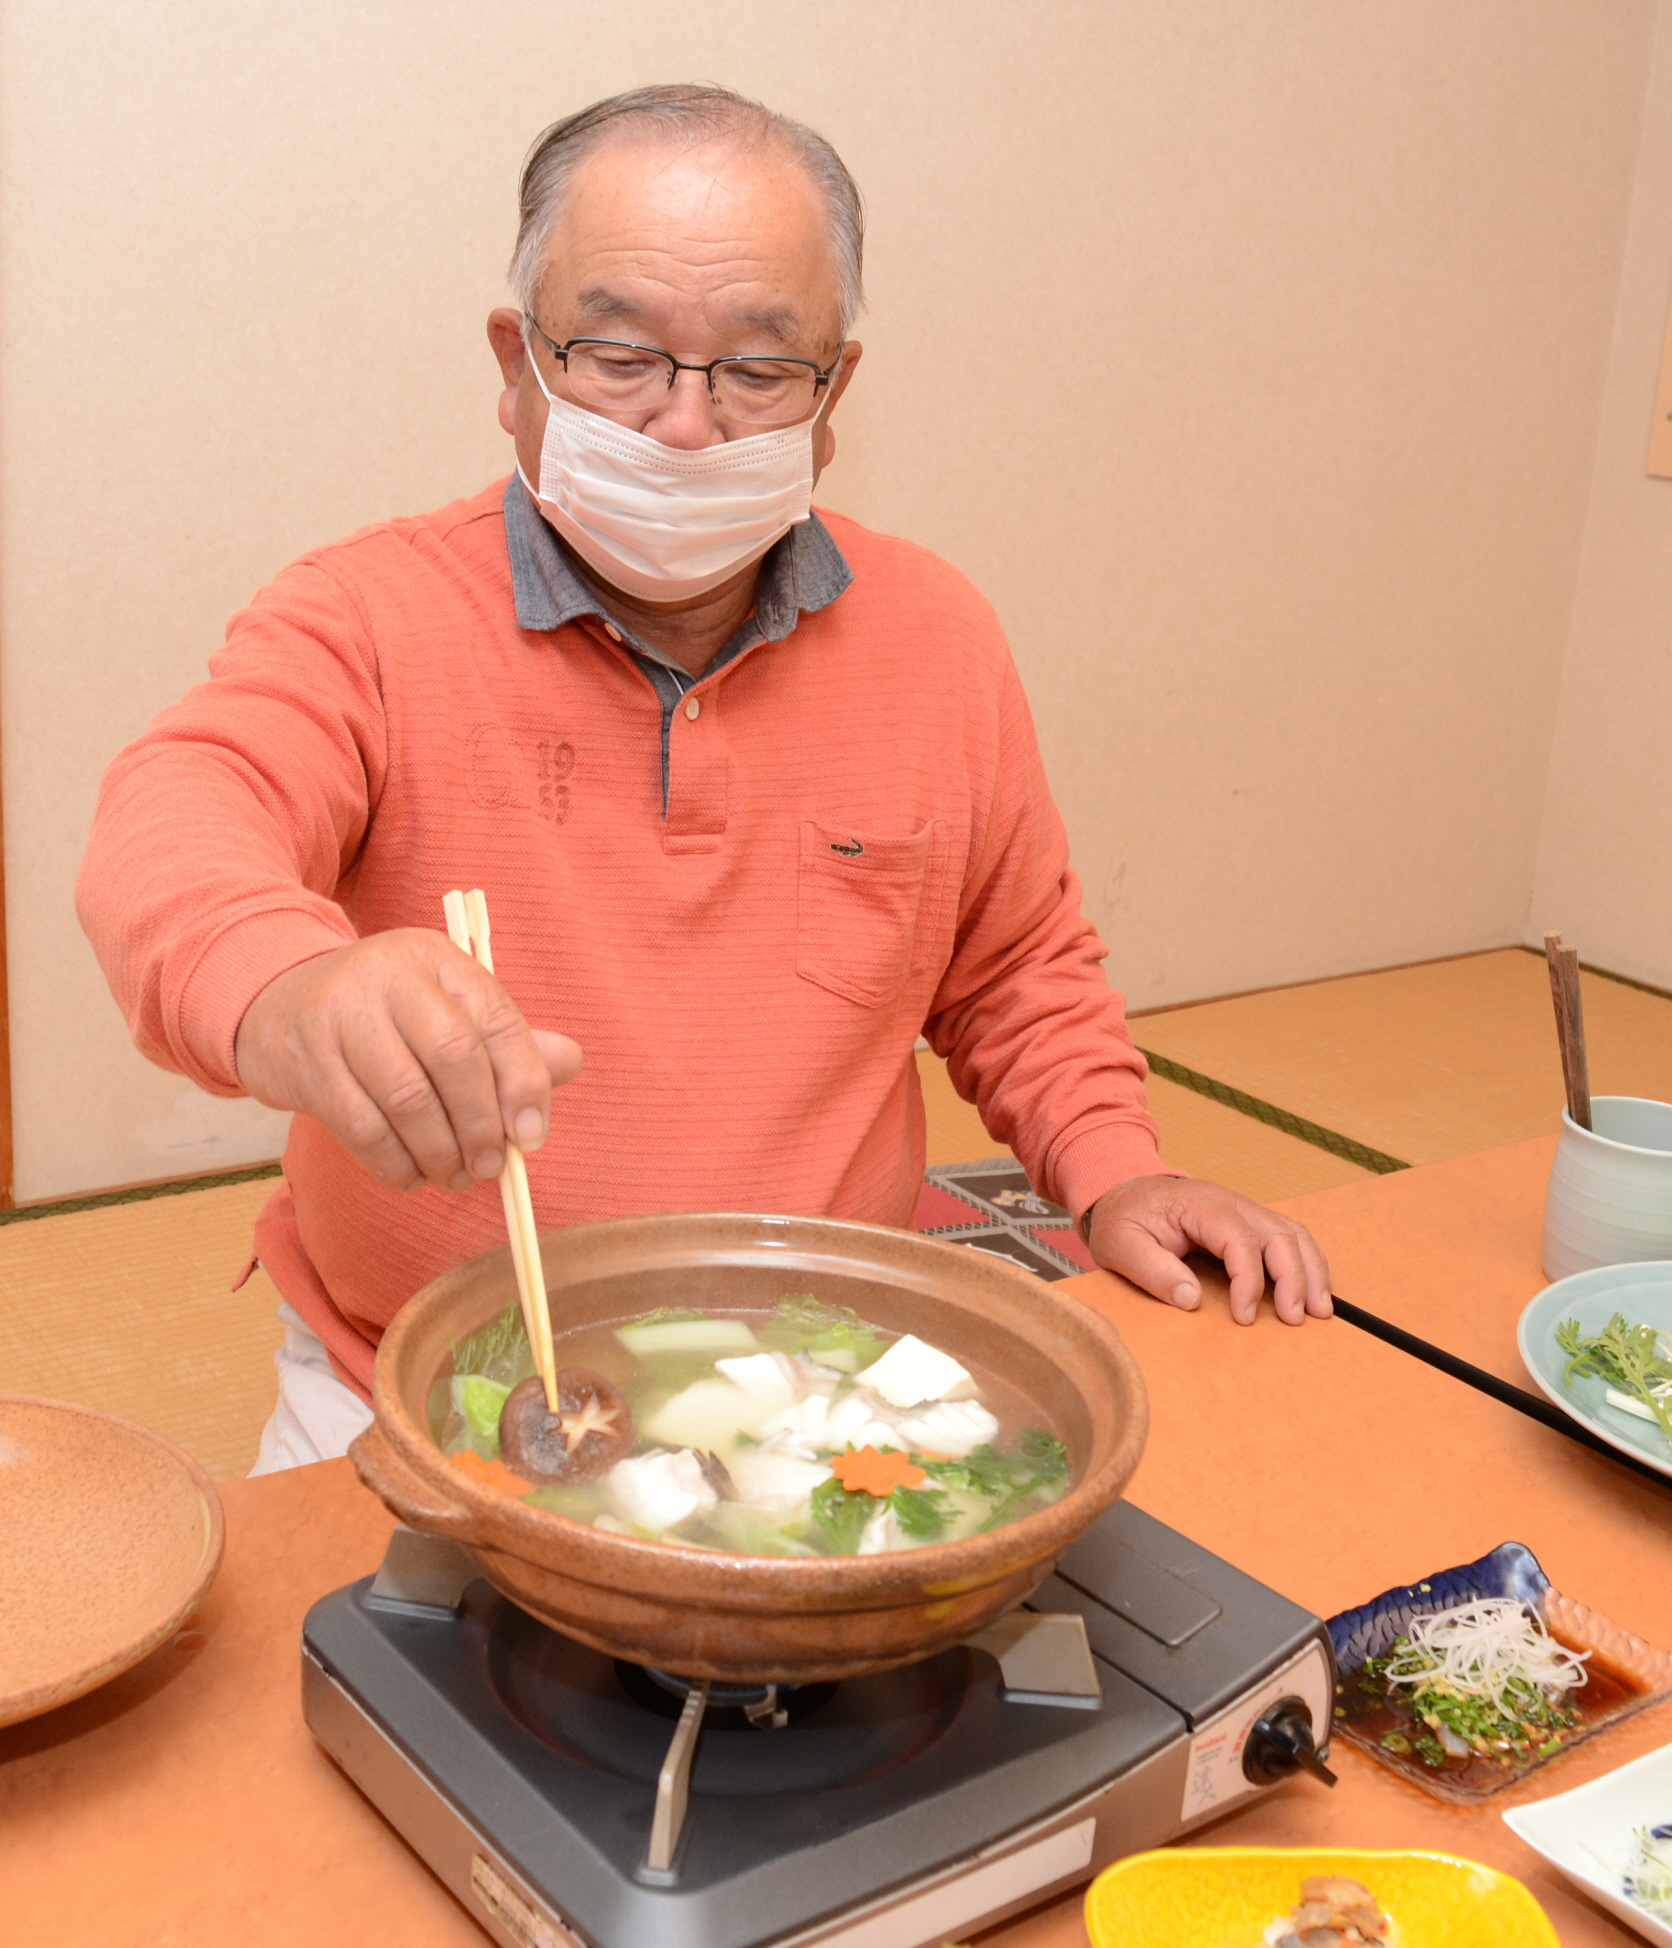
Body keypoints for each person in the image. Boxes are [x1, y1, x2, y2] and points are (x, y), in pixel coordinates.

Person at [77, 85, 1331, 1472]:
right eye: (618, 354)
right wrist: (291, 987)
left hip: (823, 1385)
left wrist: (1117, 1172)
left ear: (834, 391)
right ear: (518, 364)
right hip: (408, 1375)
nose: (684, 426)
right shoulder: (364, 616)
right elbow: (177, 821)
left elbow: (1017, 965)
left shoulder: (939, 636)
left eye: (753, 368)